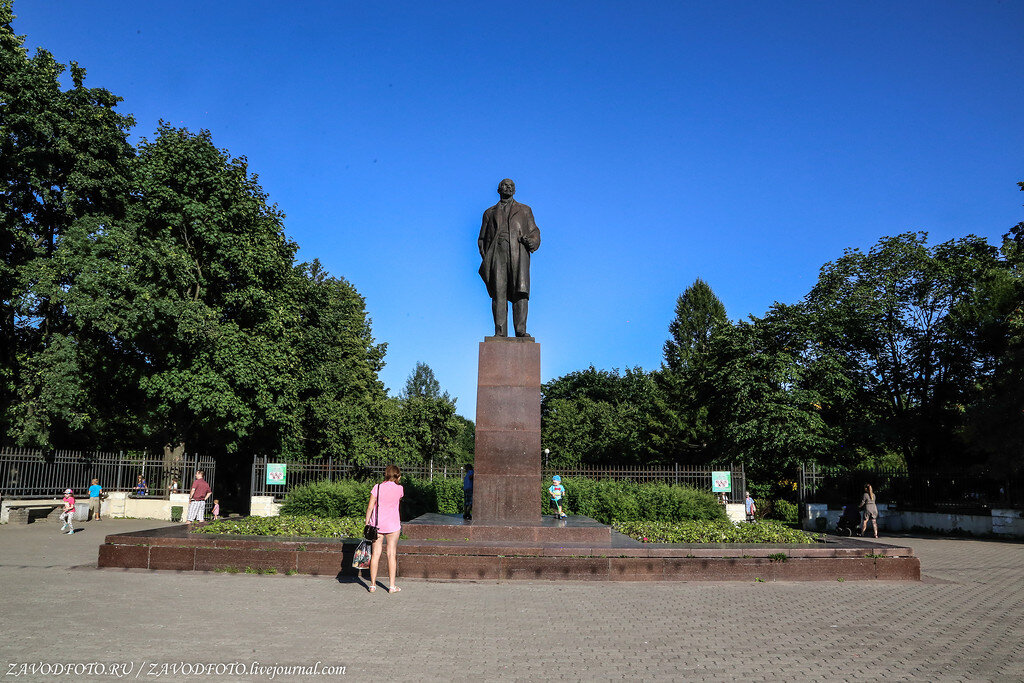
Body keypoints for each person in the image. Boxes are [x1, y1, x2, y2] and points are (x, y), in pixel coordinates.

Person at [478, 178, 541, 338]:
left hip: (518, 254)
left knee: (520, 291)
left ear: (515, 190)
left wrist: (532, 241)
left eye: (511, 186)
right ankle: (500, 332)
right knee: (499, 293)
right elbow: (482, 239)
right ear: (499, 189)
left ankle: (520, 330)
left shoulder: (525, 210)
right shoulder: (489, 213)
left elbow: (535, 231)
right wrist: (488, 258)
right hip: (497, 254)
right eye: (505, 185)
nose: (508, 187)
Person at [364, 465, 404, 594]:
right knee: (391, 554)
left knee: (375, 554)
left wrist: (367, 523)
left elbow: (370, 507)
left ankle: (372, 585)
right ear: (397, 475)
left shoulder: (377, 487)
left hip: (377, 525)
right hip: (393, 525)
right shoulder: (400, 489)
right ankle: (392, 586)